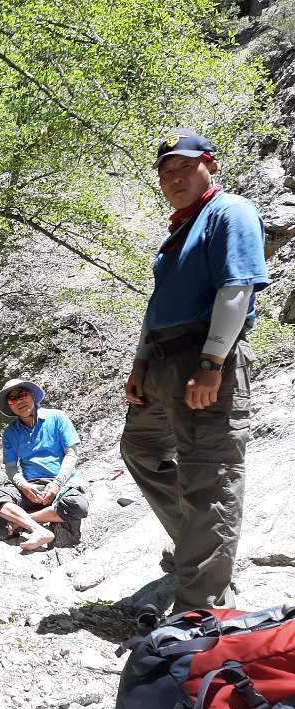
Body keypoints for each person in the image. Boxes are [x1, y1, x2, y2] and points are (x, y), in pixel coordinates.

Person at [120, 128, 269, 614]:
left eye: (186, 167)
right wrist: (141, 362)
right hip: (161, 363)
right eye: (166, 172)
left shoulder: (230, 211)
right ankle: (197, 550)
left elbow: (236, 287)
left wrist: (212, 362)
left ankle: (200, 612)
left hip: (203, 357)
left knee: (210, 474)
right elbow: (156, 306)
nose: (175, 178)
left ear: (211, 166)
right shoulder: (179, 233)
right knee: (141, 449)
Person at [0, 378, 89, 551]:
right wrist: (24, 486)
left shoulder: (57, 418)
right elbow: (11, 467)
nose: (19, 401)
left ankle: (23, 520)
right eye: (12, 399)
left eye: (22, 395)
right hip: (31, 488)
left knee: (77, 505)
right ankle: (38, 530)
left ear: (32, 396)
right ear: (9, 406)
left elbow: (72, 454)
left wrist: (57, 484)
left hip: (61, 484)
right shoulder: (10, 433)